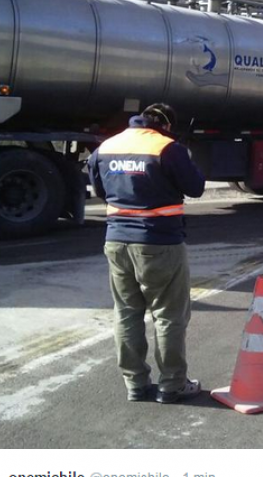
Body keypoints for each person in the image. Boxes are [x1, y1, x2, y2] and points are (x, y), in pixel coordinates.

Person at [88, 103, 206, 404]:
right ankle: (172, 385)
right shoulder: (168, 147)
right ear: (166, 125)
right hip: (160, 242)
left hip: (115, 240)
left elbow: (99, 190)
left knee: (127, 313)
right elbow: (195, 188)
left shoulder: (106, 147)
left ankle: (136, 385)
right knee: (168, 316)